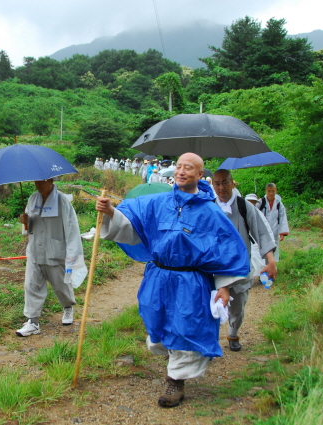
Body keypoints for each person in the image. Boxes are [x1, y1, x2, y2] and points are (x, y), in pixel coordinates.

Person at [96, 153, 249, 408]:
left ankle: (175, 380)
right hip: (158, 277)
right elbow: (134, 227)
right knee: (157, 320)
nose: (181, 171)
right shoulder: (157, 202)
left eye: (189, 168)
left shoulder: (210, 211)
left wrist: (223, 286)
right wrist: (111, 210)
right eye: (178, 166)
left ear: (201, 175)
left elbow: (225, 249)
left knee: (186, 325)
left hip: (191, 282)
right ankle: (175, 359)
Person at [212, 170, 277, 352]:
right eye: (217, 184)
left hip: (240, 269)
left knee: (237, 308)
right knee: (213, 305)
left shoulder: (244, 206)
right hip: (215, 269)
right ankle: (209, 341)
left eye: (225, 183)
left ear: (233, 183)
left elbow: (262, 233)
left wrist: (270, 261)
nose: (221, 187)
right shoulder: (209, 207)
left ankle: (233, 334)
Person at [16, 178, 86, 337]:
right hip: (35, 249)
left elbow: (71, 227)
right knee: (31, 285)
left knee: (61, 284)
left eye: (41, 182)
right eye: (35, 182)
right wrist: (26, 222)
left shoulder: (62, 201)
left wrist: (73, 252)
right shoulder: (33, 199)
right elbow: (29, 226)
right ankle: (32, 322)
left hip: (55, 250)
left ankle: (68, 308)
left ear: (51, 180)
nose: (37, 185)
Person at [256, 183, 289, 262]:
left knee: (273, 247)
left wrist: (282, 233)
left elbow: (282, 218)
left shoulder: (279, 204)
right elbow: (254, 214)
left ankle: (272, 264)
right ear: (266, 191)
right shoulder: (260, 202)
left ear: (276, 191)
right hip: (262, 230)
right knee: (262, 247)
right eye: (269, 191)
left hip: (274, 229)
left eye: (273, 191)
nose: (271, 193)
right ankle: (262, 264)